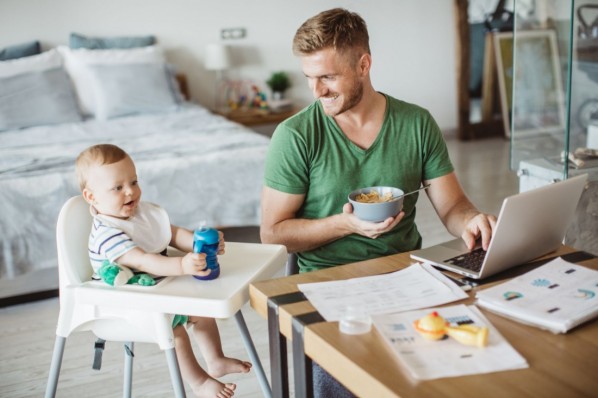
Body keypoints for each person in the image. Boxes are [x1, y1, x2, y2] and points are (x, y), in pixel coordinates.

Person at [260, 8, 497, 397]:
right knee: (348, 382)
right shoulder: (296, 135)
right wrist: (345, 224)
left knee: (463, 363)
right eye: (310, 79)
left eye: (327, 78)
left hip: (406, 277)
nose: (316, 92)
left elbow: (453, 207)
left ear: (364, 65)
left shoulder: (416, 123)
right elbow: (273, 233)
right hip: (329, 284)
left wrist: (472, 220)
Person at [76, 144, 251, 398]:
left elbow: (172, 233)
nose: (130, 192)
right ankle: (199, 382)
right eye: (118, 187)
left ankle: (216, 360)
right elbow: (143, 261)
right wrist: (182, 265)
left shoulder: (140, 213)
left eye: (134, 181)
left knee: (201, 311)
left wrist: (197, 243)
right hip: (125, 302)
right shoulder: (107, 233)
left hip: (158, 291)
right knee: (175, 331)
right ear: (91, 197)